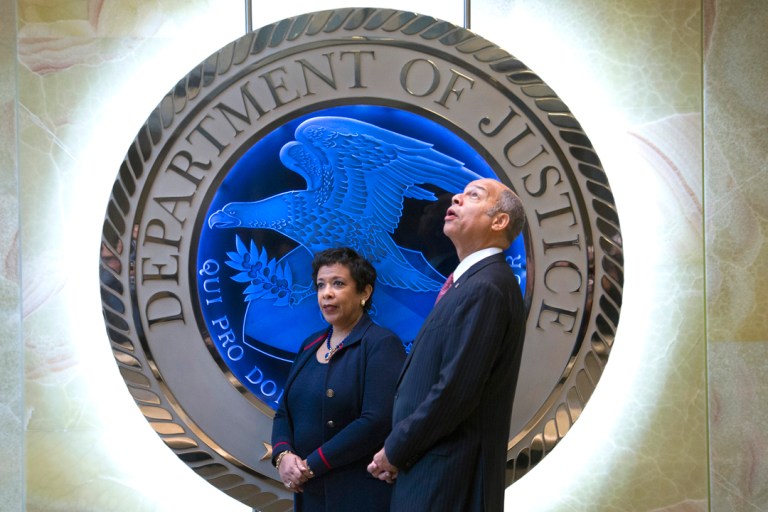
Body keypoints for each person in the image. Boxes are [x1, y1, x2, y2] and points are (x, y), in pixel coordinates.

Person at [368, 178, 527, 512]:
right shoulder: (468, 282)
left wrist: (395, 449)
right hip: (430, 470)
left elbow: (455, 390)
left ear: (499, 221)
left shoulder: (487, 286)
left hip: (448, 480)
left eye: (473, 195)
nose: (455, 197)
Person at [271, 247, 406, 511]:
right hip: (310, 494)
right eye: (321, 285)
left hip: (358, 493)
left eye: (338, 284)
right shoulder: (310, 345)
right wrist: (283, 457)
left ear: (364, 293)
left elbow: (376, 421)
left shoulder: (381, 343)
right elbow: (283, 414)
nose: (327, 293)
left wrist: (310, 466)